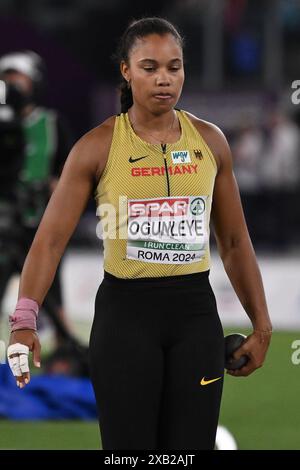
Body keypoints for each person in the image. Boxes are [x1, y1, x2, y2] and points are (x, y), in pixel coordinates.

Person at [6, 18, 272, 450]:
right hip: (125, 321)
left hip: (196, 320)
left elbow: (236, 242)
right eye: (149, 67)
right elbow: (49, 240)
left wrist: (262, 328)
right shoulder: (97, 146)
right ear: (127, 72)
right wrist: (23, 321)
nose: (164, 79)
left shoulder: (211, 141)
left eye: (174, 67)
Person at [0, 50, 74, 346]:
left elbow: (68, 173)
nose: (13, 86)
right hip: (3, 221)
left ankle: (66, 353)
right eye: (6, 80)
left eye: (18, 78)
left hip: (42, 222)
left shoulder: (52, 123)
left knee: (53, 295)